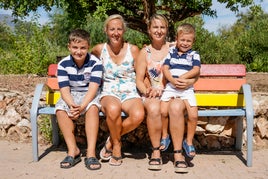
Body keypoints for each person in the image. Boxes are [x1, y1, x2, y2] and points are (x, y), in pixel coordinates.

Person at [91, 14, 145, 166]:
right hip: (108, 91)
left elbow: (143, 73)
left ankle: (111, 140)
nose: (115, 32)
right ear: (106, 31)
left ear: (124, 31)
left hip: (130, 91)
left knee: (138, 115)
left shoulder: (133, 50)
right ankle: (117, 146)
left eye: (119, 29)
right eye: (112, 29)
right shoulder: (98, 49)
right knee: (113, 109)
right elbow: (87, 64)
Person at [55, 29, 103, 170]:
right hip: (71, 95)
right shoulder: (63, 65)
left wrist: (82, 107)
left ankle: (91, 153)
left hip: (90, 95)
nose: (79, 51)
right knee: (60, 110)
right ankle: (73, 150)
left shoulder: (95, 63)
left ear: (88, 47)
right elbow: (64, 89)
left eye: (83, 48)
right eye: (75, 48)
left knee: (93, 109)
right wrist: (71, 105)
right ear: (69, 47)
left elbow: (93, 89)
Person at [160, 23, 201, 173]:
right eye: (182, 40)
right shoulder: (171, 52)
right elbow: (165, 68)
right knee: (163, 111)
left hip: (187, 89)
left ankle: (188, 141)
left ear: (193, 42)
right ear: (177, 39)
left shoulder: (194, 54)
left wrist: (183, 77)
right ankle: (165, 136)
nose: (185, 43)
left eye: (188, 41)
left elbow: (196, 69)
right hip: (171, 87)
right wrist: (171, 79)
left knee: (193, 114)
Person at [136, 14, 172, 170]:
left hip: (172, 91)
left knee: (174, 106)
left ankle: (177, 150)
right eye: (155, 27)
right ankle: (156, 151)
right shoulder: (144, 52)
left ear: (167, 29)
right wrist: (147, 90)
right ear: (149, 30)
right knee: (153, 108)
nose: (159, 30)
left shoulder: (174, 49)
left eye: (162, 27)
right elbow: (138, 79)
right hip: (151, 92)